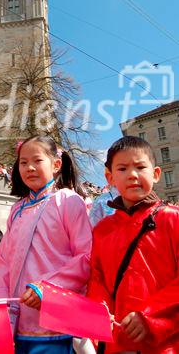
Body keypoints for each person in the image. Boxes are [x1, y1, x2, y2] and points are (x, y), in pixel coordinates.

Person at [0, 136, 92, 354]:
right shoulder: (16, 209)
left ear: (56, 164)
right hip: (17, 322)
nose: (29, 168)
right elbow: (2, 263)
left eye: (37, 160)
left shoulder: (68, 201)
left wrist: (47, 288)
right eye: (23, 162)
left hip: (57, 321)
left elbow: (86, 256)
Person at [87, 136, 179, 353]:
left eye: (140, 166)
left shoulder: (172, 219)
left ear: (155, 174)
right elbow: (96, 280)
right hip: (117, 340)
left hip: (166, 343)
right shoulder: (102, 230)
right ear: (109, 177)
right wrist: (100, 317)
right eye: (122, 168)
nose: (132, 175)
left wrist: (150, 316)